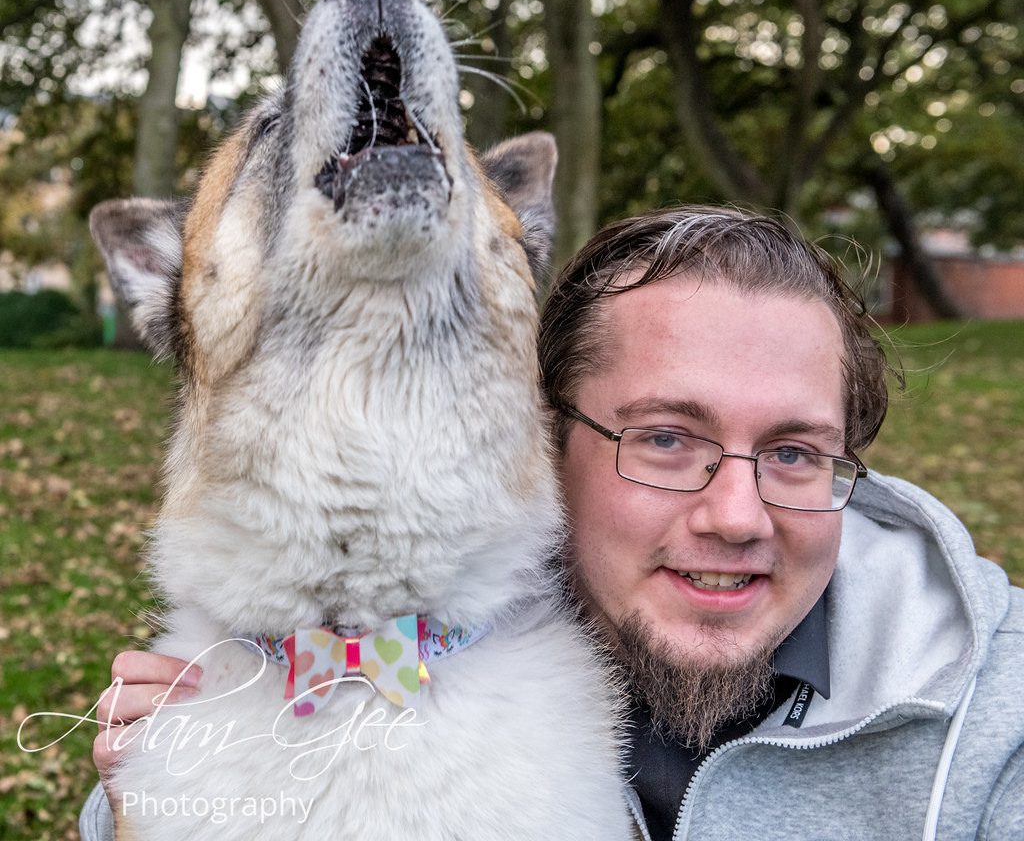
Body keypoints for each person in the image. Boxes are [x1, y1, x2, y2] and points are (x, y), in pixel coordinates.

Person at [81, 206, 1024, 840]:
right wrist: (170, 785)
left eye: (793, 453)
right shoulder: (416, 637)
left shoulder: (993, 717)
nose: (738, 517)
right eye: (665, 439)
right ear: (536, 434)